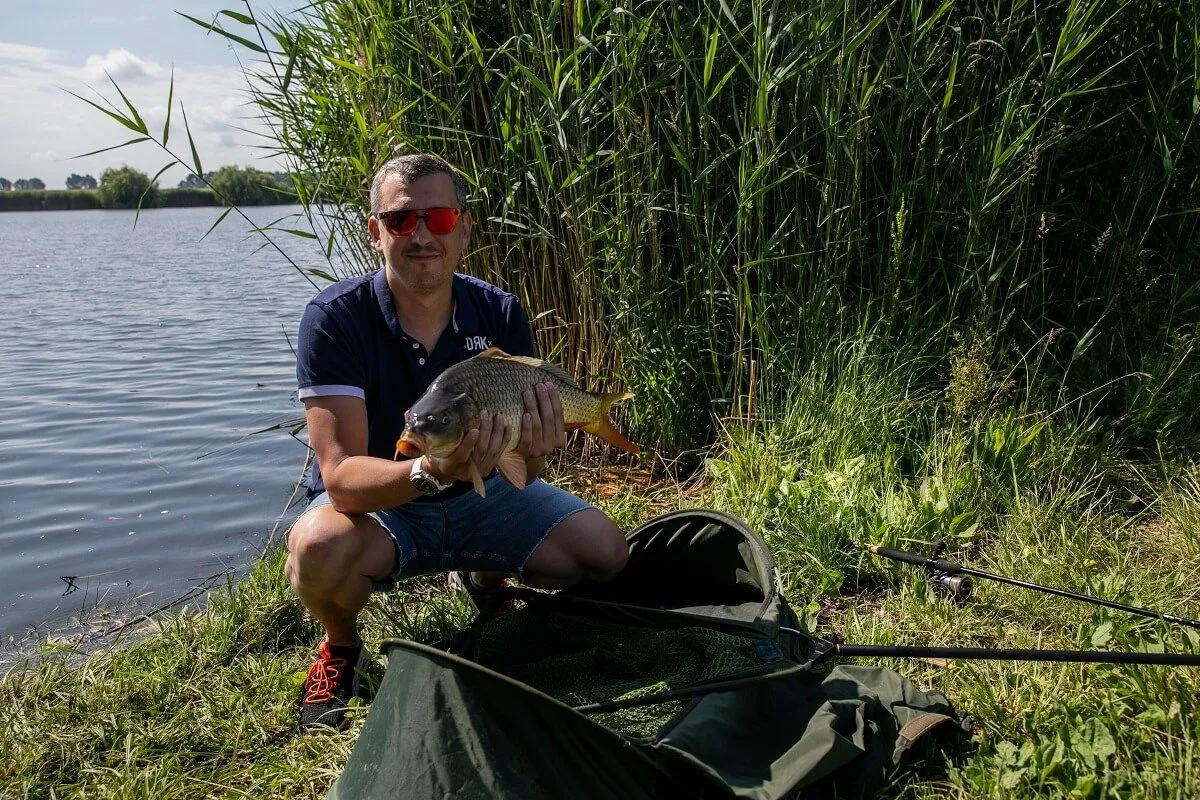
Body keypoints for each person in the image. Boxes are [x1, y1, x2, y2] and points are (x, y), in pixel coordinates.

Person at [286, 153, 630, 731]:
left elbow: (530, 469)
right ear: (376, 233)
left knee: (606, 554)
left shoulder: (497, 311)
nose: (422, 235)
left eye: (439, 219)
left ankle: (485, 581)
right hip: (385, 510)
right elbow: (340, 479)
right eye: (401, 221)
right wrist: (431, 473)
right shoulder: (334, 320)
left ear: (464, 228)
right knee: (317, 549)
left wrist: (542, 441)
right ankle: (340, 646)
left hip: (485, 496)